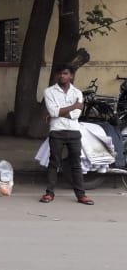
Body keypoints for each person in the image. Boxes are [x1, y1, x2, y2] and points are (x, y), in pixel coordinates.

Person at [40, 64, 94, 205]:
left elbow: (76, 115)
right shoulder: (49, 91)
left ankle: (81, 195)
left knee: (76, 164)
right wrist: (73, 106)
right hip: (56, 131)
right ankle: (49, 194)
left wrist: (61, 112)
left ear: (71, 76)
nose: (62, 76)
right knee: (54, 163)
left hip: (74, 131)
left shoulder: (77, 93)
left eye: (65, 73)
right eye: (60, 73)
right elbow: (53, 112)